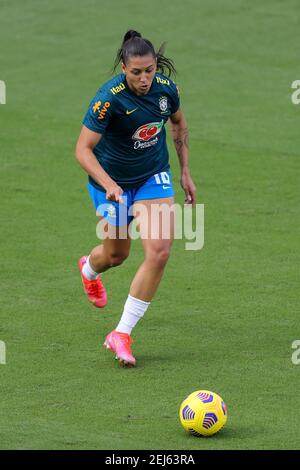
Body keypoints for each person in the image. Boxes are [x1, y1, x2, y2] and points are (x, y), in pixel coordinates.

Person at [75, 30, 196, 367]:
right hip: (110, 184)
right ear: (124, 68)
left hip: (151, 177)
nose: (145, 79)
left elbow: (179, 124)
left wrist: (185, 170)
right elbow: (82, 150)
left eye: (150, 70)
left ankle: (121, 333)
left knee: (159, 252)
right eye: (136, 72)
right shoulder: (108, 99)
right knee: (116, 255)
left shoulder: (166, 90)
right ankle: (89, 269)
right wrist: (109, 183)